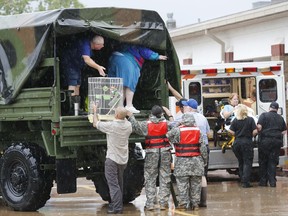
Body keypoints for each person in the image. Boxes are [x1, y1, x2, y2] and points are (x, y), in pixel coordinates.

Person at [127, 105, 172, 210]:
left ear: (151, 113)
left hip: (152, 153)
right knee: (165, 177)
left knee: (150, 178)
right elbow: (175, 127)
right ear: (161, 114)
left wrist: (131, 116)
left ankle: (150, 204)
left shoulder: (146, 125)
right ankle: (163, 203)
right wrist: (169, 114)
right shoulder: (167, 124)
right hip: (165, 152)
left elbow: (135, 126)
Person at [92, 103, 132, 214]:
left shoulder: (112, 126)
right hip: (123, 160)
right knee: (119, 184)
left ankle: (117, 208)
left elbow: (95, 124)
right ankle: (118, 205)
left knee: (113, 185)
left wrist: (95, 111)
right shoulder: (128, 126)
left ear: (117, 115)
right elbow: (127, 119)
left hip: (112, 160)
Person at [108, 44, 167, 114]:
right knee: (130, 84)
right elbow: (145, 51)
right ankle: (129, 105)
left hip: (113, 58)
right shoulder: (137, 44)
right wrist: (157, 56)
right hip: (128, 60)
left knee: (120, 85)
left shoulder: (123, 43)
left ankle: (118, 106)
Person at [166, 113, 207, 210]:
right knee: (196, 184)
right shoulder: (198, 131)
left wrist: (176, 126)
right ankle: (195, 204)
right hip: (196, 161)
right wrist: (204, 160)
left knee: (182, 184)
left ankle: (183, 204)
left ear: (183, 120)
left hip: (181, 162)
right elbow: (203, 149)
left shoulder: (177, 131)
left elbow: (167, 136)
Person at [61, 35, 106, 113]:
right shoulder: (85, 45)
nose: (103, 46)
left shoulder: (87, 44)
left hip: (76, 66)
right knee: (72, 84)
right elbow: (87, 60)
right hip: (70, 64)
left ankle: (77, 108)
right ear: (97, 45)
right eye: (102, 45)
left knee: (78, 85)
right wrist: (98, 67)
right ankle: (71, 108)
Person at [181, 98, 210, 207]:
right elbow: (208, 132)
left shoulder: (184, 118)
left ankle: (189, 201)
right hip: (203, 147)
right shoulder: (203, 118)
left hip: (188, 149)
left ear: (189, 108)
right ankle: (202, 202)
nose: (184, 108)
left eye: (185, 106)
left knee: (187, 176)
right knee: (202, 175)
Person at [257, 102, 287, 187]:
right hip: (276, 142)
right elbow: (284, 131)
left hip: (265, 142)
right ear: (277, 109)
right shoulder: (280, 118)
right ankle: (272, 182)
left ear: (269, 108)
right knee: (272, 162)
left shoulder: (263, 115)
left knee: (263, 162)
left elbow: (259, 127)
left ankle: (263, 182)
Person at [228, 104, 257, 188]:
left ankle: (242, 179)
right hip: (247, 142)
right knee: (247, 162)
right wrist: (250, 135)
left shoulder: (235, 120)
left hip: (237, 143)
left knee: (241, 162)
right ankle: (246, 182)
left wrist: (236, 134)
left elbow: (230, 131)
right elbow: (255, 131)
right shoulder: (250, 120)